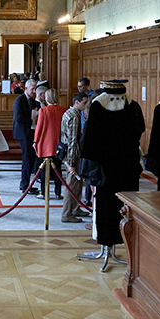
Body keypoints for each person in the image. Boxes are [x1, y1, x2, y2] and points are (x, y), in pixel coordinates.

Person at [81, 79, 145, 269]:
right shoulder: (132, 106)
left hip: (104, 171)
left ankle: (106, 245)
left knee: (105, 208)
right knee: (125, 208)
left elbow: (88, 141)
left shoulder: (98, 107)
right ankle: (122, 245)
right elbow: (139, 130)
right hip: (127, 168)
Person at [59, 92, 91, 222]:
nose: (86, 104)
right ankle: (67, 214)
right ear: (76, 102)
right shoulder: (74, 117)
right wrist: (71, 163)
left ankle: (75, 208)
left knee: (77, 184)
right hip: (72, 155)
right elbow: (72, 141)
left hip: (71, 154)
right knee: (71, 185)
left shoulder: (70, 113)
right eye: (84, 102)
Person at [33, 88, 66, 200]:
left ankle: (44, 192)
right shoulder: (63, 110)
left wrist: (35, 141)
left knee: (44, 171)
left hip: (45, 144)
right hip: (58, 144)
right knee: (58, 170)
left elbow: (39, 128)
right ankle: (58, 193)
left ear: (47, 98)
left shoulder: (43, 111)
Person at [13, 79, 39, 194]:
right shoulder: (19, 100)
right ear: (26, 88)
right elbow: (19, 118)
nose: (34, 91)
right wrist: (32, 120)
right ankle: (24, 185)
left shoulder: (34, 101)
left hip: (32, 132)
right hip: (23, 133)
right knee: (27, 159)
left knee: (31, 158)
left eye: (35, 89)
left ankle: (27, 184)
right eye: (32, 89)